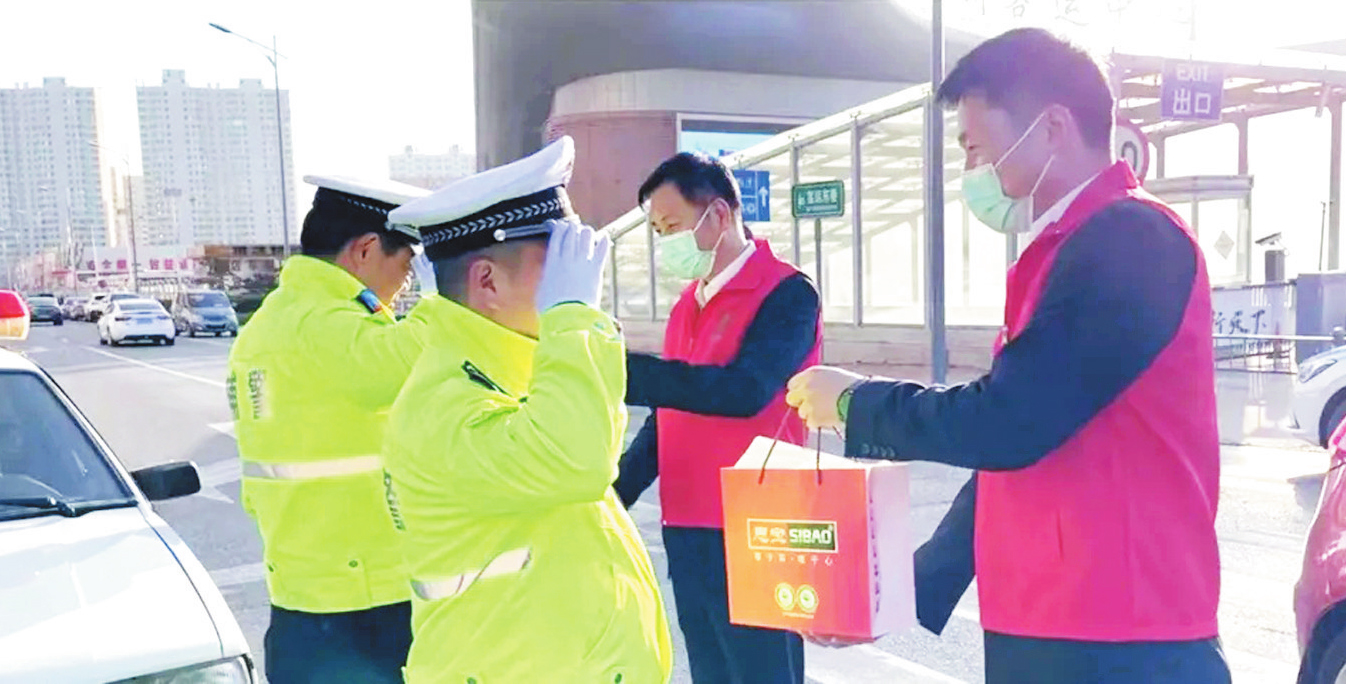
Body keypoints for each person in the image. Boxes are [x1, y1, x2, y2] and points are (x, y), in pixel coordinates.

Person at [784, 28, 1229, 683]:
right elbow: (1006, 465)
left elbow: (1011, 421)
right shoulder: (1062, 249)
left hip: (1123, 639)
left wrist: (857, 402)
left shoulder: (1131, 238)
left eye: (975, 147)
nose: (971, 170)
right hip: (1053, 628)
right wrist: (897, 593)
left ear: (1052, 127)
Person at [380, 136, 673, 683]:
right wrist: (572, 314)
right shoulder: (446, 406)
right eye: (557, 264)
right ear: (487, 280)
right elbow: (578, 461)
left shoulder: (514, 372)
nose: (574, 280)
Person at [613, 152, 821, 684]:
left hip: (760, 526)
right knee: (711, 670)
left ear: (720, 214)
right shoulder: (688, 303)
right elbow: (669, 415)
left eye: (673, 225)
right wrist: (616, 494)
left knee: (764, 672)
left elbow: (745, 390)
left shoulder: (787, 292)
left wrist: (624, 371)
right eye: (658, 231)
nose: (666, 242)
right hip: (688, 526)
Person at [228, 175, 440, 683]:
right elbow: (411, 363)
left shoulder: (275, 320)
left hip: (306, 595)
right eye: (407, 263)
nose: (407, 281)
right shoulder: (323, 323)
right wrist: (447, 299)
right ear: (366, 250)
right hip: (363, 601)